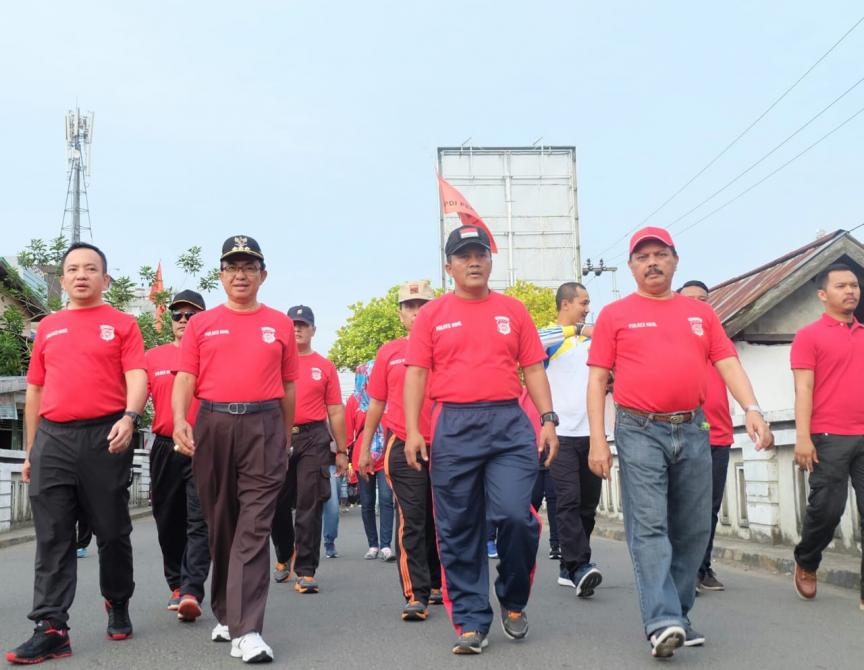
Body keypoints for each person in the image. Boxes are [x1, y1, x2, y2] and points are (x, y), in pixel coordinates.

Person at [586, 226, 773, 659]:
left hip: (693, 427)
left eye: (660, 254)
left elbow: (726, 360)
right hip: (638, 430)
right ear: (631, 266)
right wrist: (600, 439)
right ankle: (662, 620)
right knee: (650, 526)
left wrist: (753, 409)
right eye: (643, 256)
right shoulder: (616, 314)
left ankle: (679, 615)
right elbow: (597, 380)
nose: (652, 262)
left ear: (674, 260)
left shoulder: (700, 314)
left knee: (693, 529)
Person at [404, 225, 559, 655]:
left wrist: (547, 419)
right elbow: (416, 372)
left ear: (491, 261)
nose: (474, 261)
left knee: (514, 516)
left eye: (481, 254)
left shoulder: (514, 310)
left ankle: (513, 598)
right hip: (452, 424)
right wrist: (415, 431)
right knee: (458, 528)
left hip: (509, 425)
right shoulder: (433, 315)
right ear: (450, 265)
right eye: (464, 255)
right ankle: (472, 621)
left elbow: (533, 368)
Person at [7, 242, 147, 665]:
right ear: (63, 279)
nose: (81, 274)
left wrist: (130, 416)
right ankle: (51, 627)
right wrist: (31, 451)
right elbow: (35, 390)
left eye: (91, 268)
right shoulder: (48, 326)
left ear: (105, 279)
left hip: (105, 436)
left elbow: (136, 374)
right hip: (53, 438)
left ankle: (117, 601)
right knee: (51, 535)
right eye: (72, 269)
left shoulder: (123, 324)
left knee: (112, 529)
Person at [173, 235, 298, 663]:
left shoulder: (279, 323)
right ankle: (226, 612)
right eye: (232, 267)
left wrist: (284, 434)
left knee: (254, 525)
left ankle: (247, 630)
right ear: (221, 275)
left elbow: (287, 386)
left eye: (249, 267)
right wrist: (180, 421)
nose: (240, 274)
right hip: (213, 423)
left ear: (263, 275)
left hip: (263, 424)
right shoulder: (202, 324)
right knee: (221, 521)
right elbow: (185, 378)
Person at [358, 279, 442, 622]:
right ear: (401, 314)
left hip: (449, 444)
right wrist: (364, 449)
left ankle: (438, 583)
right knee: (413, 517)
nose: (417, 311)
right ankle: (416, 594)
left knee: (444, 518)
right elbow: (375, 403)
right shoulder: (389, 352)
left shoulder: (448, 347)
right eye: (410, 306)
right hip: (404, 444)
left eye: (423, 304)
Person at [790, 263, 864, 609]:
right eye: (841, 286)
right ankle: (807, 559)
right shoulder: (809, 335)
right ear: (823, 294)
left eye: (854, 285)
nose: (850, 291)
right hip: (829, 435)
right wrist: (802, 437)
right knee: (827, 509)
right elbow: (803, 388)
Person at [145, 289, 211, 620]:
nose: (184, 320)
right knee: (167, 518)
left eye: (192, 314)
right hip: (164, 446)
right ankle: (175, 581)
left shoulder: (214, 354)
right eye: (177, 315)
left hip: (203, 445)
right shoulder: (152, 357)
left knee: (200, 519)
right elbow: (132, 399)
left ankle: (191, 589)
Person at [271, 305, 346, 593]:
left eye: (304, 324)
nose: (298, 329)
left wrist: (341, 450)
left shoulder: (324, 366)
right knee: (275, 503)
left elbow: (336, 410)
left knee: (308, 504)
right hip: (278, 436)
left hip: (313, 437)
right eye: (293, 324)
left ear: (313, 330)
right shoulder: (274, 362)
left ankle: (305, 570)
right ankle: (284, 552)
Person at [537, 282, 603, 596]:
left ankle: (570, 566)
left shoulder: (591, 343)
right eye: (583, 302)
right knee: (568, 501)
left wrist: (587, 333)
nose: (588, 308)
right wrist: (578, 329)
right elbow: (534, 341)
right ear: (566, 304)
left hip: (592, 434)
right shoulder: (550, 337)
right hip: (560, 434)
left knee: (588, 507)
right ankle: (580, 566)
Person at [678, 279, 734, 592]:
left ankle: (702, 567)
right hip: (684, 434)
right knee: (684, 507)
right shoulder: (672, 340)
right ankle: (682, 568)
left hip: (719, 436)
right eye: (692, 300)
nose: (699, 304)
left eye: (704, 299)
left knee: (709, 510)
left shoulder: (718, 341)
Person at [346, 361, 395, 561]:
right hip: (362, 457)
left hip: (385, 456)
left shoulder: (389, 398)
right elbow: (349, 432)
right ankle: (372, 545)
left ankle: (385, 545)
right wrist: (347, 460)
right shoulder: (354, 401)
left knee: (385, 500)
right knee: (366, 502)